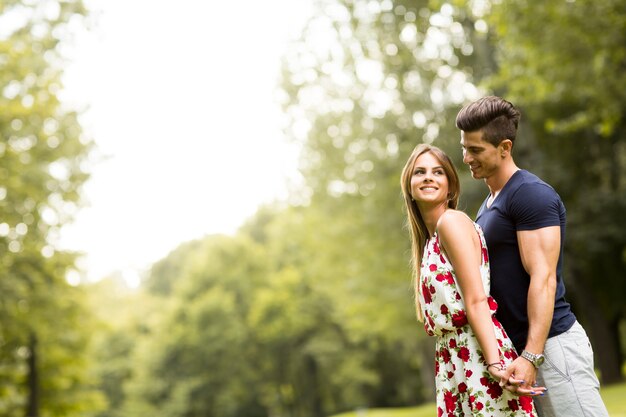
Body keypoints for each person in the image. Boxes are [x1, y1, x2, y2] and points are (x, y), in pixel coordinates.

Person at [455, 96, 609, 417]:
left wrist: (531, 356)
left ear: (504, 147)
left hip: (550, 349)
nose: (467, 157)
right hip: (522, 355)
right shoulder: (488, 205)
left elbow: (544, 277)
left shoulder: (529, 194)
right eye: (464, 148)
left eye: (475, 150)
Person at [401, 143, 544, 417]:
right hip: (453, 361)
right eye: (420, 172)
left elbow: (477, 300)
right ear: (409, 186)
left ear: (451, 187)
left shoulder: (450, 223)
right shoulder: (431, 239)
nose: (429, 177)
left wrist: (494, 363)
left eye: (438, 172)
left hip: (476, 352)